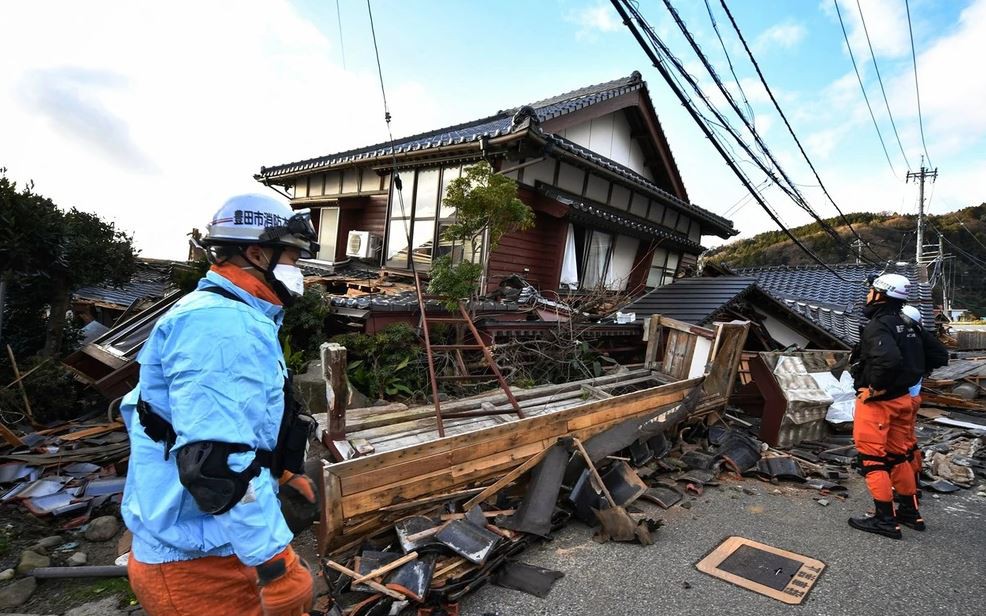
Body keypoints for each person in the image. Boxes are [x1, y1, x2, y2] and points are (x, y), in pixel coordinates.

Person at [119, 194, 320, 615]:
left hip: (214, 547)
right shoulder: (222, 326)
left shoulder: (225, 314)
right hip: (198, 567)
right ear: (256, 252)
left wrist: (280, 472)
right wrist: (276, 566)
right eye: (294, 257)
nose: (298, 270)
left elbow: (227, 424)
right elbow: (216, 463)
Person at [848, 273, 926, 539]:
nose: (867, 295)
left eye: (871, 291)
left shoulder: (879, 325)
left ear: (881, 294)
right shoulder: (907, 325)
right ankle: (909, 512)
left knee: (872, 459)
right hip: (903, 399)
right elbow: (936, 354)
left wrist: (874, 388)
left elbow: (888, 360)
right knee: (898, 456)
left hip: (879, 403)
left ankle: (884, 520)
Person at [897, 304, 949, 528]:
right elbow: (940, 356)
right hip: (913, 397)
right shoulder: (921, 337)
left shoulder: (908, 338)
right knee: (908, 443)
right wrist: (923, 370)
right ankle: (913, 484)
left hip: (900, 398)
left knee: (896, 449)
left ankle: (906, 495)